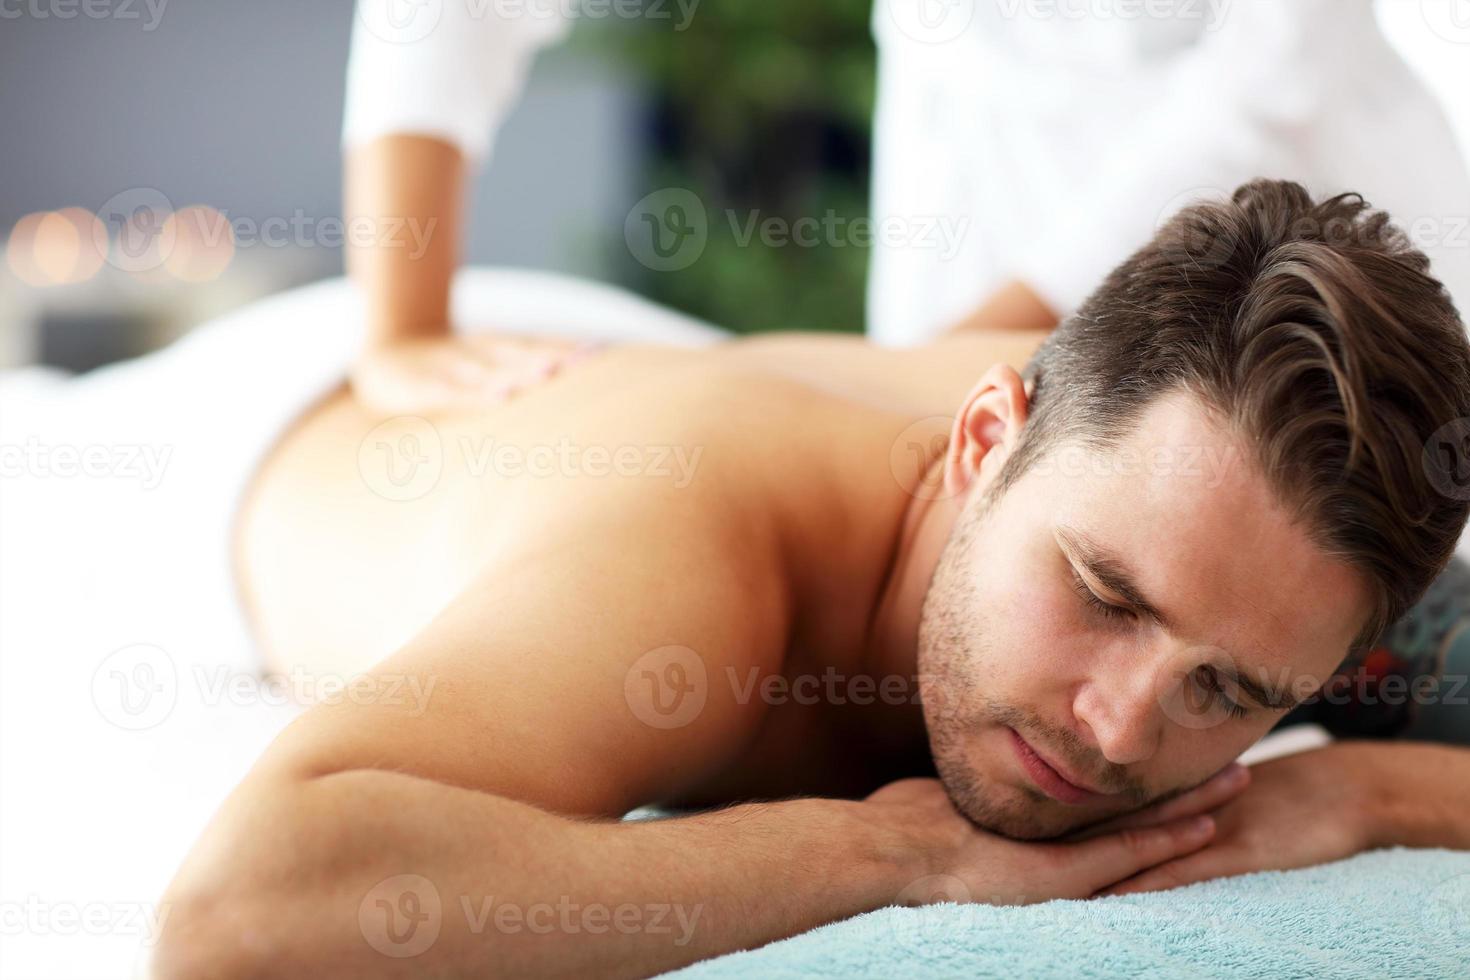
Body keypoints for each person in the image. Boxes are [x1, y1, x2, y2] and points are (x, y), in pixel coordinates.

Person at [153, 181, 1470, 978]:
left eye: (1228, 690)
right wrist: (885, 850)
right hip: (251, 428)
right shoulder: (685, 576)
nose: (1119, 728)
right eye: (1104, 598)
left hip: (653, 364)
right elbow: (237, 918)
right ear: (980, 443)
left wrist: (1354, 789)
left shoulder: (1198, 474)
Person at [342, 0, 1470, 409]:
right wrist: (401, 326)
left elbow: (1277, 72)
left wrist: (935, 367)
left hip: (1336, 283)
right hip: (969, 302)